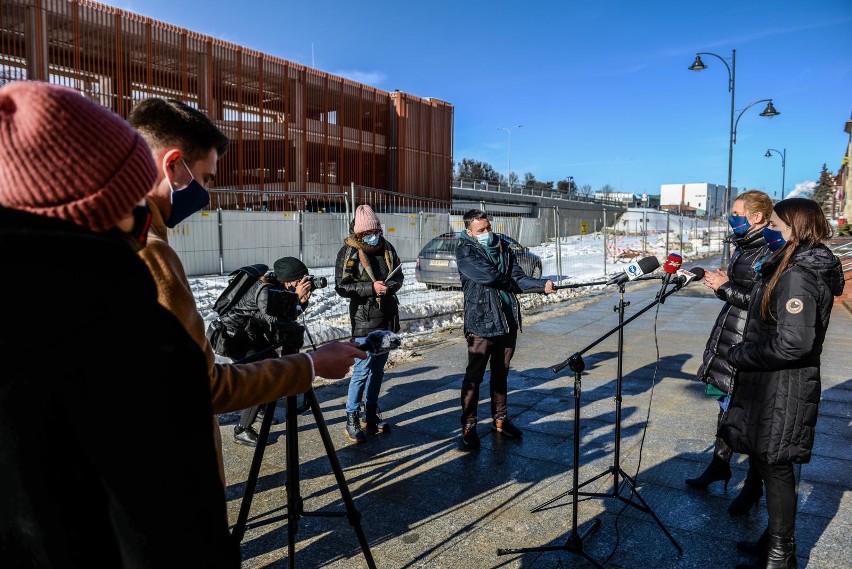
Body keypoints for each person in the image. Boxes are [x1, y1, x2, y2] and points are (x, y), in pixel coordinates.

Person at [0, 81, 240, 566]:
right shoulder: (126, 323)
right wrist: (309, 365)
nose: (140, 215)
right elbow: (172, 526)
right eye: (130, 196)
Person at [127, 98, 365, 480]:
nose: (205, 195)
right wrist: (313, 364)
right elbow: (205, 388)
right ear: (172, 165)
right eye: (205, 178)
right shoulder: (148, 253)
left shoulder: (105, 233)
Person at [718, 198, 845, 569]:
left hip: (783, 386)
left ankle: (780, 556)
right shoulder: (791, 265)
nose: (769, 230)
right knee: (769, 461)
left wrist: (742, 354)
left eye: (774, 224)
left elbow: (794, 343)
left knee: (776, 467)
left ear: (795, 228)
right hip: (773, 384)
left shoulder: (797, 274)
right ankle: (772, 543)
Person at [687, 190, 773, 517]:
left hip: (746, 342)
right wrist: (722, 285)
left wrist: (723, 288)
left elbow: (762, 301)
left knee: (748, 418)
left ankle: (753, 486)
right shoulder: (745, 247)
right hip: (727, 336)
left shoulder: (767, 250)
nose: (731, 218)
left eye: (737, 213)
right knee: (722, 402)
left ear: (757, 217)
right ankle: (719, 465)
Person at [455, 209, 555, 448]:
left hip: (507, 319)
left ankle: (500, 419)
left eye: (488, 227)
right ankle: (469, 425)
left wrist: (542, 285)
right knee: (474, 377)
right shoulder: (465, 250)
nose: (487, 233)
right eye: (481, 230)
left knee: (501, 373)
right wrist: (513, 284)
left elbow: (517, 277)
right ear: (470, 231)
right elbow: (489, 276)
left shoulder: (503, 247)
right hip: (482, 321)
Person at [224, 257, 315, 446]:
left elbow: (286, 316)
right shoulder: (265, 291)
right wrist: (296, 299)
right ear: (288, 280)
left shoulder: (280, 289)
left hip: (252, 336)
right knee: (264, 377)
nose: (304, 284)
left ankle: (259, 410)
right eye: (300, 280)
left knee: (275, 366)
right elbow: (275, 322)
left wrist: (300, 302)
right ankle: (242, 429)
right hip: (236, 339)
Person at [334, 204, 403, 443]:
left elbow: (399, 276)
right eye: (369, 232)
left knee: (378, 370)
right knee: (362, 370)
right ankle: (351, 417)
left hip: (386, 318)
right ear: (359, 233)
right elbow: (342, 286)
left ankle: (370, 413)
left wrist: (388, 287)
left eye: (377, 230)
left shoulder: (387, 248)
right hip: (363, 321)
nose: (374, 235)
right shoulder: (349, 252)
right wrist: (371, 288)